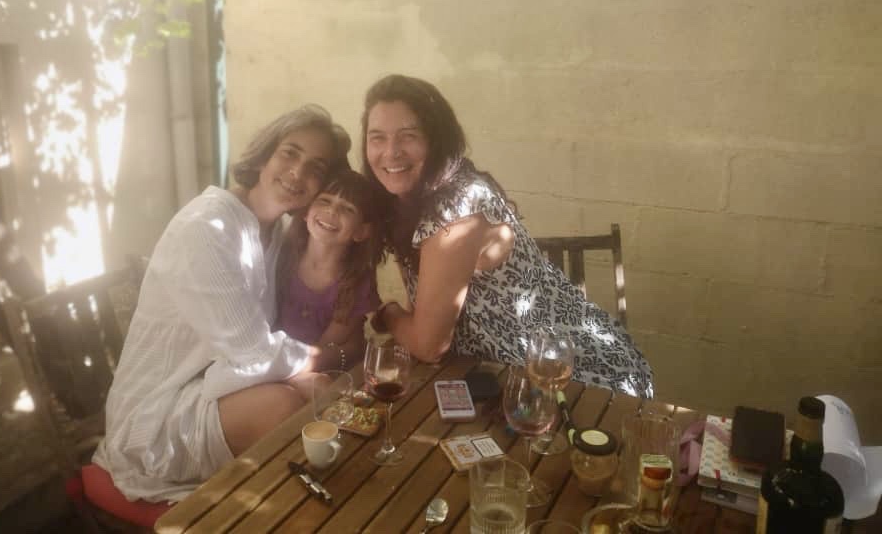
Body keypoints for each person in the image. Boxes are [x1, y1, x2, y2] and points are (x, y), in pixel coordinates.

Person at [93, 105, 352, 502]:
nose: (298, 173)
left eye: (315, 168)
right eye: (289, 153)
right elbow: (252, 351)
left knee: (320, 404)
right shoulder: (207, 227)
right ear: (264, 155)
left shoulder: (278, 232)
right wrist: (322, 360)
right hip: (156, 415)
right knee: (287, 408)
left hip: (219, 386)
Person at [363, 75, 653, 398]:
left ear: (436, 140)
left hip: (581, 379)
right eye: (377, 138)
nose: (391, 152)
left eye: (408, 136)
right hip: (509, 378)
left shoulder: (454, 211)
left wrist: (387, 313)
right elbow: (423, 313)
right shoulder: (407, 203)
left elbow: (429, 345)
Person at [275, 168, 383, 369]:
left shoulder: (356, 282)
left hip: (325, 370)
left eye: (348, 209)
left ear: (362, 231)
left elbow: (322, 351)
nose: (332, 211)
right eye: (325, 200)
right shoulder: (282, 257)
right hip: (273, 361)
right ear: (306, 211)